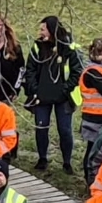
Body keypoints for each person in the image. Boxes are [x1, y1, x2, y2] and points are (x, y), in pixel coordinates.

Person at [22, 17, 79, 173]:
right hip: (42, 97)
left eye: (43, 29)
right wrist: (34, 89)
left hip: (63, 98)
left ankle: (67, 162)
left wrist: (66, 89)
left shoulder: (68, 47)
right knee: (41, 127)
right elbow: (30, 69)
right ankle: (42, 158)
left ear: (52, 30)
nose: (40, 32)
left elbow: (77, 71)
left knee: (65, 130)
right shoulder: (37, 47)